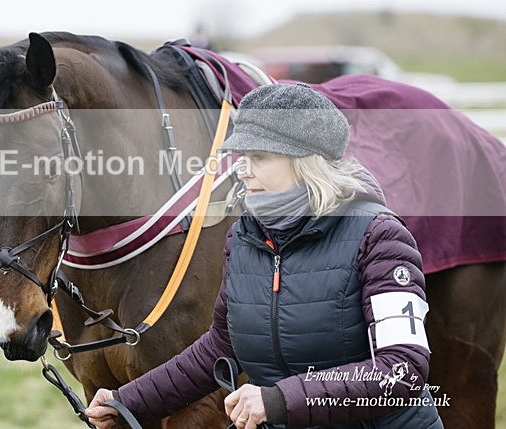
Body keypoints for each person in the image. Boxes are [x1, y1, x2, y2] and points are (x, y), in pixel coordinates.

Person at [86, 83, 442, 428]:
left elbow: (402, 370)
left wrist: (277, 401)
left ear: (306, 159)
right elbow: (221, 347)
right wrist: (127, 401)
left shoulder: (379, 237)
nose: (243, 170)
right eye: (242, 158)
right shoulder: (244, 237)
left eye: (259, 157)